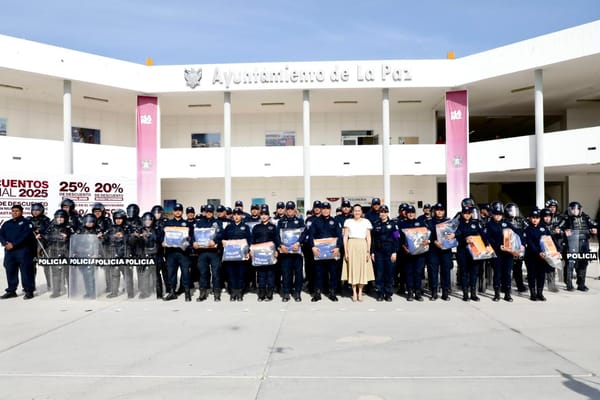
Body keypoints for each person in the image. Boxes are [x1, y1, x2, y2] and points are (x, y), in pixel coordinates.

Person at [484, 201, 519, 302]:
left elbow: (517, 233)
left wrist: (520, 245)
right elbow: (488, 238)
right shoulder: (489, 225)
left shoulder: (506, 223)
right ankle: (496, 294)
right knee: (497, 273)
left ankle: (507, 294)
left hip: (508, 253)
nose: (498, 216)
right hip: (497, 253)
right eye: (496, 214)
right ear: (492, 214)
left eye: (499, 214)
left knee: (507, 273)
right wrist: (498, 246)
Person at [558, 201, 598, 291]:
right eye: (573, 209)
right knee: (571, 263)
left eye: (577, 209)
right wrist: (563, 232)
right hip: (572, 243)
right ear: (570, 210)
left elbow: (595, 225)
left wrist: (594, 229)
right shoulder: (566, 218)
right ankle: (569, 285)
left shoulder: (586, 217)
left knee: (583, 263)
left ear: (580, 209)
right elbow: (557, 228)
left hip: (584, 243)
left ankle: (581, 284)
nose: (575, 211)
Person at [308, 202, 342, 302]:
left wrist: (338, 247)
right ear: (321, 210)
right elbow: (311, 236)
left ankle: (332, 293)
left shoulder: (334, 222)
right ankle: (317, 293)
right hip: (319, 253)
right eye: (324, 208)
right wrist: (313, 247)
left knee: (333, 273)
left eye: (327, 208)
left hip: (332, 252)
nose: (326, 210)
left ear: (330, 210)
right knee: (318, 273)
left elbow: (340, 236)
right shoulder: (315, 221)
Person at [0, 204, 35, 299]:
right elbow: (1, 234)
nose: (14, 213)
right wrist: (5, 243)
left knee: (26, 272)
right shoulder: (7, 223)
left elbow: (25, 235)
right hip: (9, 252)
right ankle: (11, 291)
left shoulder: (26, 223)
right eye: (13, 211)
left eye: (17, 211)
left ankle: (29, 291)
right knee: (10, 270)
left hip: (23, 251)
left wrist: (14, 244)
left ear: (21, 212)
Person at [454, 206, 487, 301]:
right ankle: (465, 294)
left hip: (475, 251)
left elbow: (482, 235)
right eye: (465, 213)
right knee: (464, 273)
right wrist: (465, 240)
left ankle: (473, 293)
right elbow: (456, 237)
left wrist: (487, 244)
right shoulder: (458, 224)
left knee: (474, 273)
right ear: (462, 214)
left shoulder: (475, 223)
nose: (467, 215)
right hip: (462, 251)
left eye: (469, 213)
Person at [342, 204, 374, 302]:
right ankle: (354, 292)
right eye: (355, 210)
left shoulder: (366, 222)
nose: (357, 212)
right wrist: (346, 251)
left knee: (362, 269)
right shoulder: (348, 221)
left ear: (361, 212)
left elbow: (368, 237)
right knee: (353, 269)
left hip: (363, 245)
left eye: (359, 210)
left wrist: (368, 251)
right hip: (351, 245)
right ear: (352, 212)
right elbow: (345, 237)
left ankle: (360, 291)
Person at [162, 203, 194, 301]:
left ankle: (187, 293)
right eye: (176, 210)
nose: (178, 212)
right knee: (172, 273)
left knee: (185, 273)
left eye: (180, 210)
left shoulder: (187, 224)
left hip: (183, 253)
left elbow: (192, 237)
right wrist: (162, 241)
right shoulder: (167, 223)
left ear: (182, 212)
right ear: (173, 212)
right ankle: (172, 292)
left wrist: (189, 242)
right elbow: (161, 236)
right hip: (171, 253)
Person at [523, 208, 557, 301]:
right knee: (532, 275)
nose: (535, 219)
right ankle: (533, 294)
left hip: (542, 257)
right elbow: (530, 244)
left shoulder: (543, 228)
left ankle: (540, 293)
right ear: (530, 218)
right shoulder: (527, 229)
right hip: (531, 257)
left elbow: (551, 239)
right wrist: (538, 253)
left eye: (537, 218)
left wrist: (557, 250)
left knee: (541, 275)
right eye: (533, 217)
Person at [398, 205, 430, 301]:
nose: (411, 214)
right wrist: (403, 247)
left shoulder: (420, 222)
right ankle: (410, 293)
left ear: (415, 213)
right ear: (406, 214)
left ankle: (418, 293)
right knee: (409, 273)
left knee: (418, 273)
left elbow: (427, 235)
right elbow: (396, 237)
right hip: (407, 253)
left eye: (412, 212)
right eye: (409, 212)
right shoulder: (401, 224)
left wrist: (427, 241)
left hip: (419, 253)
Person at [193, 204, 223, 302]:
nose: (209, 213)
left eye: (210, 211)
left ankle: (217, 293)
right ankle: (203, 293)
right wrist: (194, 242)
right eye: (207, 211)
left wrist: (215, 241)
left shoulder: (217, 222)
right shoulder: (200, 223)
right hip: (202, 252)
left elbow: (221, 234)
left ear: (213, 212)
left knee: (216, 273)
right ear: (205, 212)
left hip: (214, 252)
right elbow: (194, 235)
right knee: (203, 273)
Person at [277, 201, 305, 302]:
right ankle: (286, 293)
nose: (289, 211)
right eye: (288, 209)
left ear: (294, 210)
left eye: (291, 209)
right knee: (286, 273)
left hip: (297, 252)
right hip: (285, 253)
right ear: (285, 210)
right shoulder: (281, 221)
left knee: (298, 273)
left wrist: (298, 243)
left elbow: (304, 234)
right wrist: (280, 245)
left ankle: (297, 293)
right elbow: (277, 235)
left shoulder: (300, 221)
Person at [222, 208, 252, 301]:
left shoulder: (245, 227)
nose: (236, 216)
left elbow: (249, 240)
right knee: (231, 274)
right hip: (231, 255)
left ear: (241, 216)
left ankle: (239, 293)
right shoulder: (228, 227)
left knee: (240, 274)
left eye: (238, 215)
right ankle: (232, 292)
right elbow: (223, 238)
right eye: (234, 215)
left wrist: (249, 251)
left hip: (241, 255)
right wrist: (223, 241)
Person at [42, 209, 73, 297]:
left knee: (68, 272)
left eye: (62, 218)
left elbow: (74, 237)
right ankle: (56, 291)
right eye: (58, 217)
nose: (59, 219)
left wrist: (67, 237)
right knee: (55, 272)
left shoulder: (69, 226)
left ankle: (71, 290)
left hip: (66, 251)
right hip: (54, 251)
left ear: (65, 218)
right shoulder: (51, 226)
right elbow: (46, 236)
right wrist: (57, 236)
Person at [370, 205, 399, 302]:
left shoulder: (393, 224)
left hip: (389, 251)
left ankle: (388, 293)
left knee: (389, 273)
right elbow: (373, 239)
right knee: (379, 273)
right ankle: (380, 293)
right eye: (381, 212)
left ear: (387, 213)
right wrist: (372, 252)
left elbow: (396, 238)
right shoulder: (376, 224)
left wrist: (394, 252)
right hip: (378, 251)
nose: (383, 213)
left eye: (384, 212)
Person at [251, 205, 280, 301]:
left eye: (265, 214)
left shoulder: (273, 227)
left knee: (270, 274)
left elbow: (276, 239)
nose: (263, 216)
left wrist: (276, 250)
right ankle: (261, 294)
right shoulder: (256, 227)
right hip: (259, 255)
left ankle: (269, 293)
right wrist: (251, 250)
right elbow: (252, 240)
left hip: (270, 254)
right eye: (262, 214)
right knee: (261, 275)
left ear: (268, 216)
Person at [426, 203, 454, 301]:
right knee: (433, 271)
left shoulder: (448, 222)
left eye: (441, 210)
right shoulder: (429, 222)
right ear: (434, 211)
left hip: (445, 250)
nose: (439, 212)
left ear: (444, 211)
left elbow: (456, 232)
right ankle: (434, 292)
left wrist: (453, 235)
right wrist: (433, 241)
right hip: (433, 250)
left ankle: (445, 292)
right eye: (437, 210)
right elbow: (427, 235)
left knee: (445, 271)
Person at [504, 203, 528, 293]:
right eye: (511, 211)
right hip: (507, 246)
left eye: (515, 210)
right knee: (506, 268)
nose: (513, 213)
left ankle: (520, 285)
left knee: (518, 267)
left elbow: (528, 228)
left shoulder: (521, 220)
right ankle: (505, 286)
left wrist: (524, 243)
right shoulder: (504, 221)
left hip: (518, 246)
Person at [28, 202, 51, 290]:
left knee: (46, 266)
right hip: (31, 245)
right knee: (31, 266)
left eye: (38, 210)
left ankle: (50, 284)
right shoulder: (28, 220)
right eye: (33, 210)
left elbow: (48, 231)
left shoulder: (46, 220)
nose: (35, 212)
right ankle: (30, 285)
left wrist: (40, 232)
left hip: (43, 245)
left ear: (42, 210)